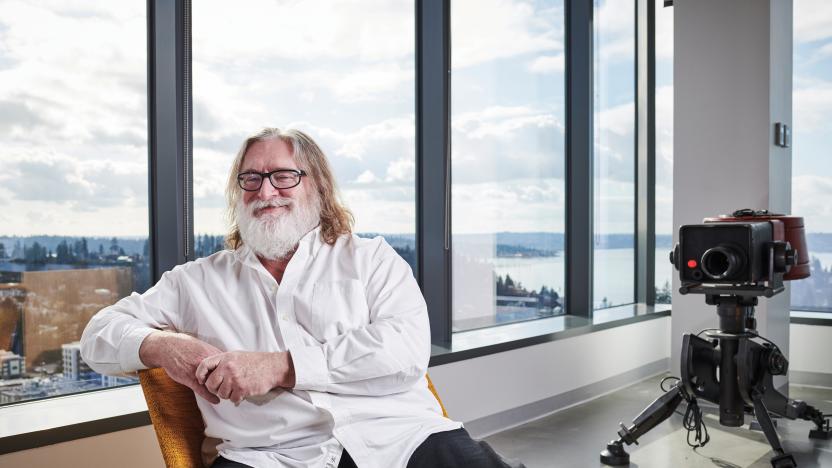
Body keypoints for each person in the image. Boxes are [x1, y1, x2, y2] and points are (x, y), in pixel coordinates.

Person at [80, 128, 514, 468]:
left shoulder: (372, 259)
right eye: (251, 178)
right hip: (268, 456)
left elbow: (406, 349)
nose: (266, 192)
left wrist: (280, 366)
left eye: (283, 176)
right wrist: (162, 345)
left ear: (318, 186)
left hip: (400, 440)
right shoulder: (195, 282)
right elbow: (98, 336)